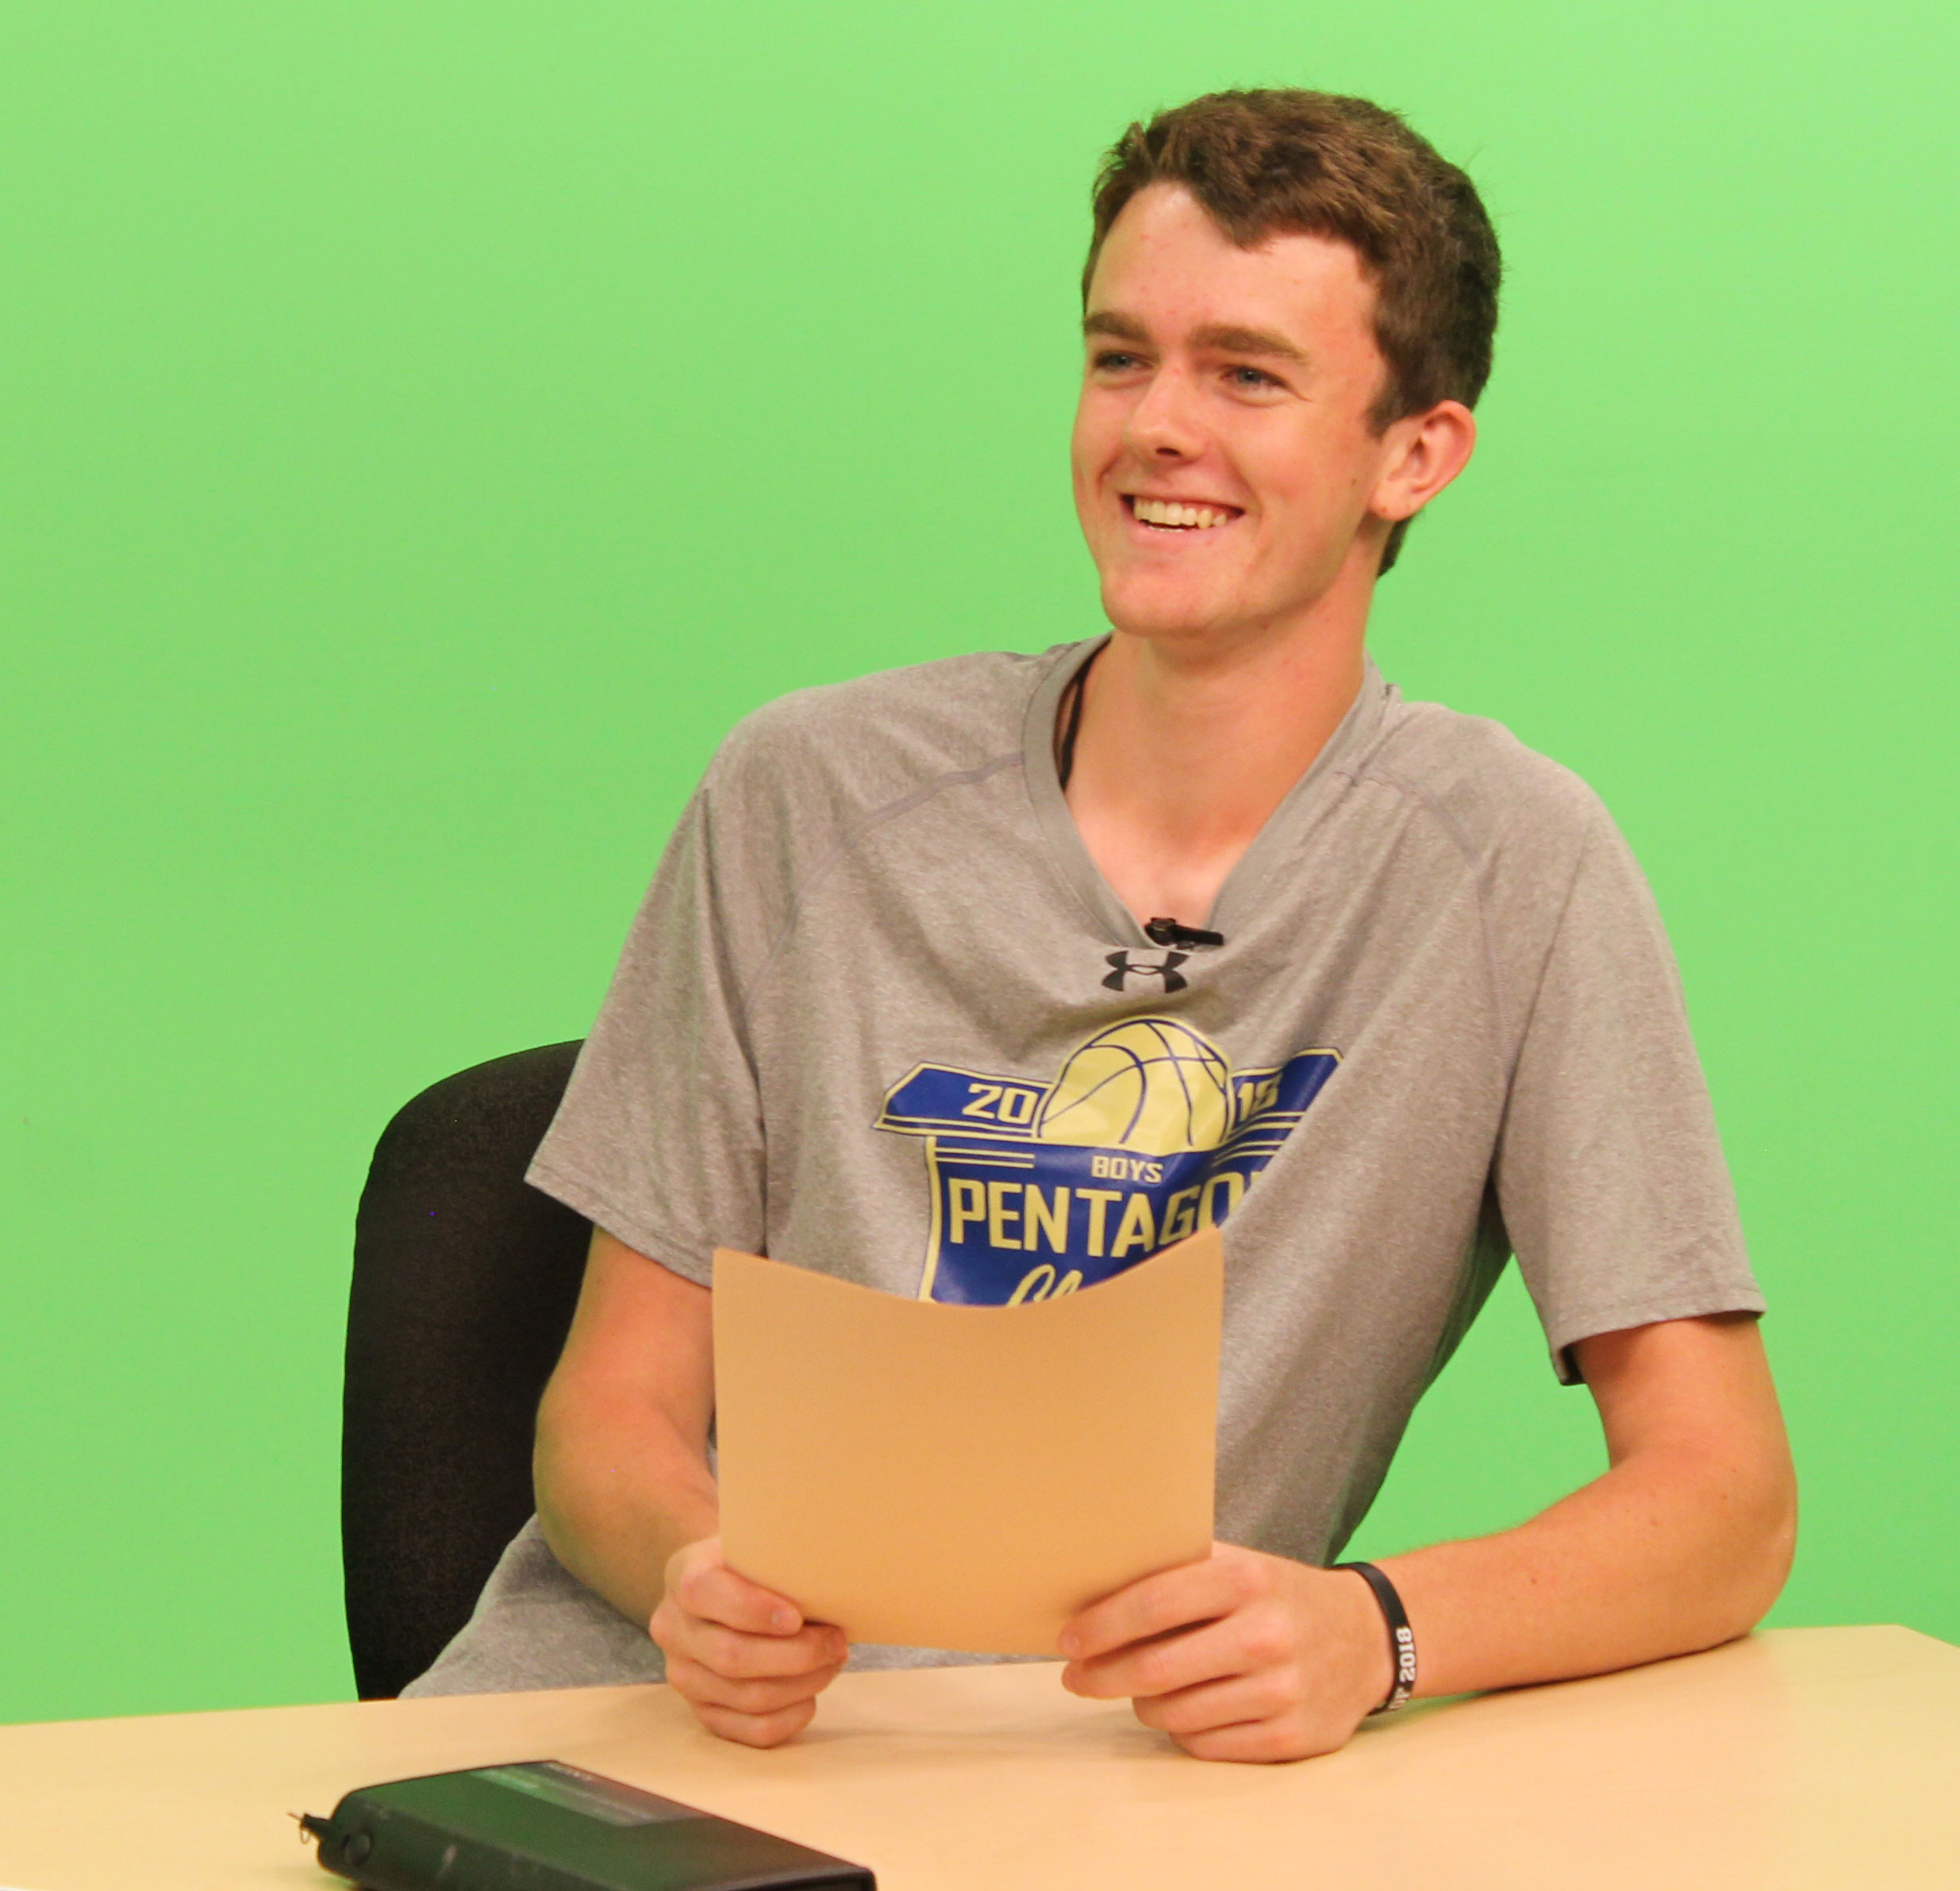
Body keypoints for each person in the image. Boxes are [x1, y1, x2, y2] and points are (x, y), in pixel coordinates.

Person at [405, 88, 1796, 1764]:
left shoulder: (1509, 870)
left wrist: (1374, 1628)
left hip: (1104, 1778)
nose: (1156, 425)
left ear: (1411, 453)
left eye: (1247, 374)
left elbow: (1724, 1502)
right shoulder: (806, 792)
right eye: (1118, 356)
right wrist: (692, 1566)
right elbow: (606, 1412)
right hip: (653, 1744)